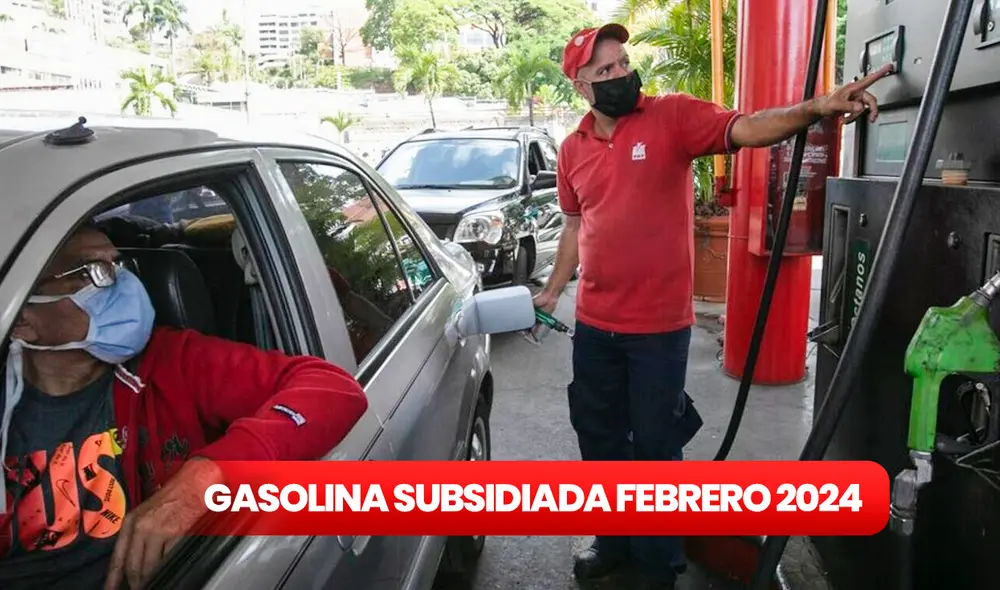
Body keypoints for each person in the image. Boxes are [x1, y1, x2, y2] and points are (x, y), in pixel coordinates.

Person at [531, 23, 893, 590]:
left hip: (658, 330)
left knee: (656, 447)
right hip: (595, 326)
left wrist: (816, 107)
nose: (621, 74)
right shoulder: (573, 149)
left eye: (622, 62)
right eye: (605, 71)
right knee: (599, 440)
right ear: (581, 87)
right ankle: (612, 541)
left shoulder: (671, 116)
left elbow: (746, 126)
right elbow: (576, 226)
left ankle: (658, 563)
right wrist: (555, 288)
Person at [0, 224, 369, 590]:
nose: (124, 284)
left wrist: (208, 477)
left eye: (118, 264)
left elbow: (334, 387)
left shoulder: (172, 362)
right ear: (22, 320)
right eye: (93, 272)